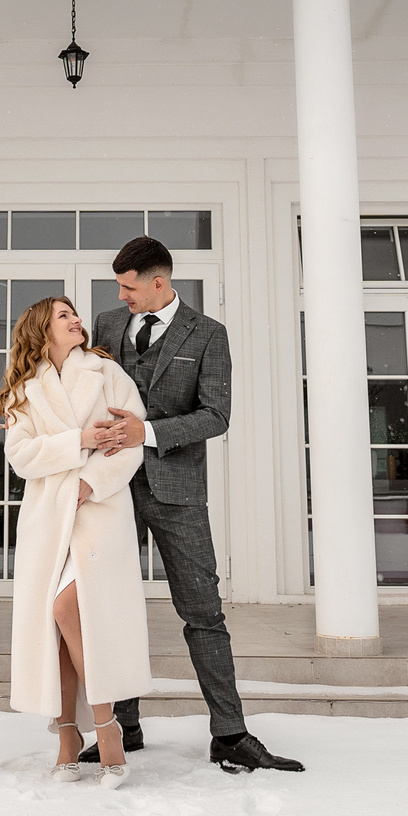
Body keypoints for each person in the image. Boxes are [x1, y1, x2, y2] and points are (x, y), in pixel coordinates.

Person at [89, 236, 304, 774]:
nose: (122, 296)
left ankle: (230, 734)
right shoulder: (109, 326)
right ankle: (124, 728)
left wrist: (149, 431)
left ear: (159, 282)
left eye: (129, 287)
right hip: (113, 488)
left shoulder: (208, 335)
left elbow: (216, 415)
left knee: (203, 614)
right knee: (112, 609)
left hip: (177, 491)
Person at [0, 295, 151, 787]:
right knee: (55, 625)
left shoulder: (106, 374)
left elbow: (130, 442)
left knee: (68, 611)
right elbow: (21, 456)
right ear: (43, 329)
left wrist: (93, 483)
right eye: (64, 316)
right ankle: (67, 735)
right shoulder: (26, 389)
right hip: (48, 521)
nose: (77, 321)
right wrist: (81, 441)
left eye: (75, 315)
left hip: (98, 515)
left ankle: (107, 730)